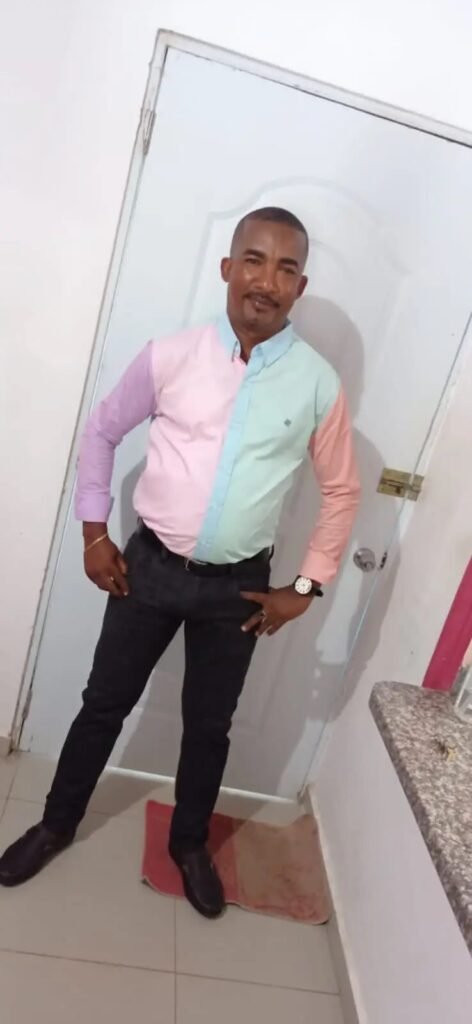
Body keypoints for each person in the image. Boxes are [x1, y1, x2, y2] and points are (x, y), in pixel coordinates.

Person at [0, 207, 360, 918]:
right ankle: (56, 824)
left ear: (300, 286)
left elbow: (343, 491)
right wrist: (94, 534)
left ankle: (189, 844)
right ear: (228, 268)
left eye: (286, 268)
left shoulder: (319, 385)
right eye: (254, 260)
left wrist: (306, 586)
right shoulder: (170, 356)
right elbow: (102, 431)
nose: (267, 281)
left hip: (240, 592)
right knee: (102, 705)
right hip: (148, 571)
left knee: (209, 726)